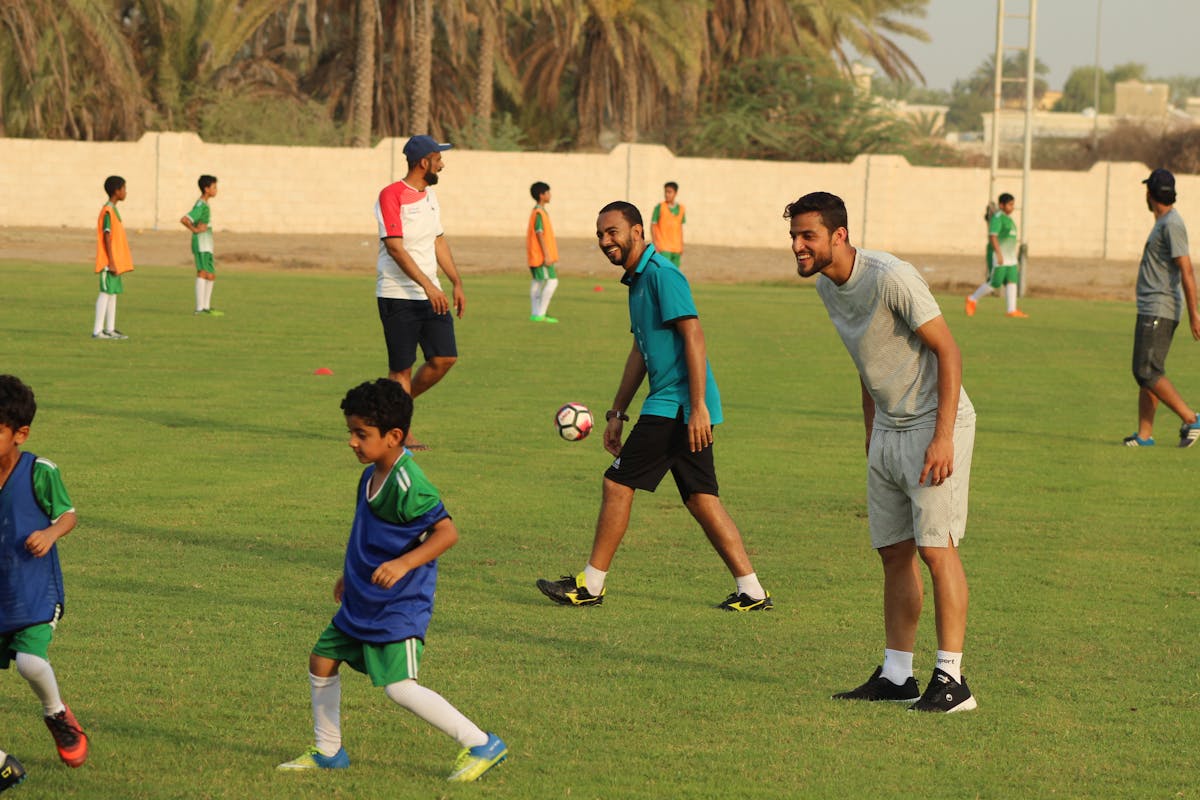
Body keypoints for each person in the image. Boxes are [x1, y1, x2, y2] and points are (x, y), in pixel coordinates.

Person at [785, 191, 977, 713]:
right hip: (889, 428)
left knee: (937, 550)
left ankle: (953, 681)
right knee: (893, 551)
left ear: (838, 236)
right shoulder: (828, 286)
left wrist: (941, 437)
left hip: (935, 423)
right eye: (794, 237)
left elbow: (947, 349)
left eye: (808, 236)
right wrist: (873, 432)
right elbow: (867, 362)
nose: (798, 246)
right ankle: (897, 675)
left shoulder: (891, 276)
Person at [536, 201, 771, 612]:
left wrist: (697, 407)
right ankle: (752, 590)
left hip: (677, 404)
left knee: (617, 483)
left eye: (613, 232)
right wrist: (616, 411)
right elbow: (640, 350)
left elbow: (694, 337)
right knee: (701, 497)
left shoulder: (663, 275)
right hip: (674, 403)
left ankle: (590, 585)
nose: (605, 241)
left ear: (638, 232)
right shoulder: (636, 279)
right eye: (600, 235)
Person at [278, 379, 507, 782]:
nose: (352, 441)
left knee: (399, 687)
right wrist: (347, 577)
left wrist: (403, 565)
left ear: (394, 436)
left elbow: (446, 533)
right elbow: (367, 535)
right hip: (362, 597)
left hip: (398, 604)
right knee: (322, 659)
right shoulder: (369, 476)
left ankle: (480, 743)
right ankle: (329, 751)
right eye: (350, 431)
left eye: (361, 433)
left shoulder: (408, 483)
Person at [0, 375, 91, 765]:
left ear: (20, 434)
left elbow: (68, 515)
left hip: (35, 593)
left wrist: (50, 533)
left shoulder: (40, 471)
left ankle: (57, 714)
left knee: (30, 662)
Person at [375, 135, 467, 450]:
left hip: (432, 294)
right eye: (438, 158)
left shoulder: (429, 196)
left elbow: (438, 241)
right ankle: (403, 430)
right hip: (397, 294)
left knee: (445, 357)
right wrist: (427, 285)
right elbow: (395, 247)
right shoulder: (391, 195)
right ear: (423, 162)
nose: (442, 163)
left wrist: (455, 281)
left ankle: (393, 407)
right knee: (401, 367)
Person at [1124, 169, 1200, 448]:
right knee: (1150, 372)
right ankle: (1144, 435)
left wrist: (1195, 314)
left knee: (1146, 371)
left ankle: (1191, 418)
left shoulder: (1172, 224)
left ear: (1150, 194)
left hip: (1160, 307)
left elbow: (1187, 270)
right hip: (1152, 306)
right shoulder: (1164, 222)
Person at [965, 192, 1027, 318]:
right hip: (1000, 255)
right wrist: (998, 254)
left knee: (1012, 280)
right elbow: (993, 236)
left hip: (1010, 257)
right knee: (995, 282)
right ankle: (972, 299)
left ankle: (1011, 310)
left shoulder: (1008, 218)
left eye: (1013, 204)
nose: (1012, 207)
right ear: (1002, 205)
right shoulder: (998, 217)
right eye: (1010, 204)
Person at [92, 175, 133, 340]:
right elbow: (107, 236)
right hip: (109, 262)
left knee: (113, 293)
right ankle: (97, 331)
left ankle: (110, 329)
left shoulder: (114, 210)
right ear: (117, 191)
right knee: (105, 293)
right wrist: (111, 261)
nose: (126, 192)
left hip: (115, 261)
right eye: (124, 189)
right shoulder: (108, 211)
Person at [180, 174, 223, 316]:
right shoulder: (200, 205)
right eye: (214, 187)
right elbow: (185, 219)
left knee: (211, 274)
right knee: (203, 272)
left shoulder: (205, 204)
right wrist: (195, 230)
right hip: (201, 242)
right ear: (206, 189)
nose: (216, 190)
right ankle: (199, 308)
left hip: (207, 242)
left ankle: (206, 306)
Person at [526, 181, 559, 323]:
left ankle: (536, 313)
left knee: (537, 283)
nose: (550, 195)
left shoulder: (539, 211)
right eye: (548, 192)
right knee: (552, 281)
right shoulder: (539, 212)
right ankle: (541, 313)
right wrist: (546, 255)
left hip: (535, 256)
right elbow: (539, 233)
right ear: (541, 195)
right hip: (540, 257)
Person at [650, 181, 686, 268]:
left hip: (676, 248)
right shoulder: (660, 207)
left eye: (669, 192)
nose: (667, 194)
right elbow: (653, 226)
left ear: (675, 193)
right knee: (664, 270)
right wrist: (655, 243)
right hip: (663, 247)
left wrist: (681, 245)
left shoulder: (681, 209)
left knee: (675, 273)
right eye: (665, 192)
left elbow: (680, 228)